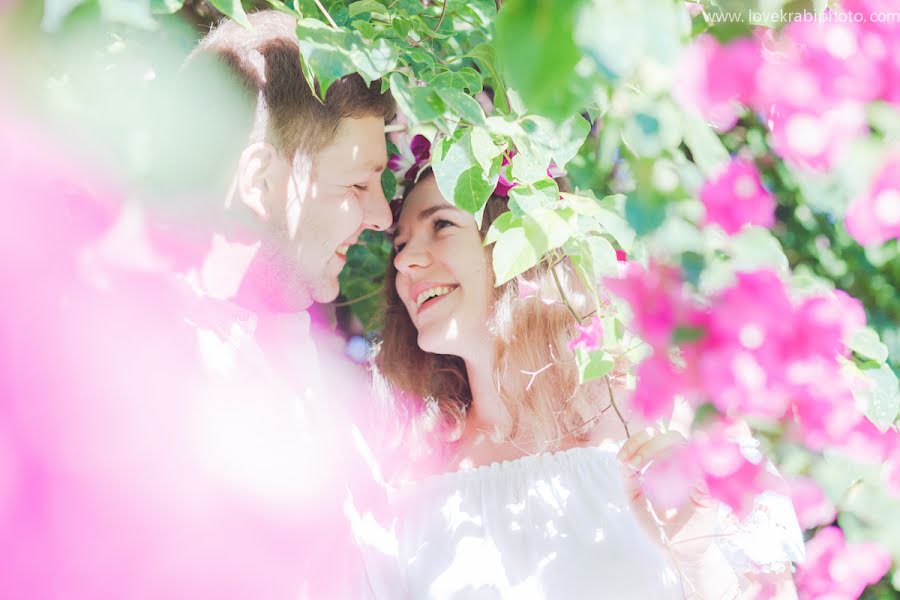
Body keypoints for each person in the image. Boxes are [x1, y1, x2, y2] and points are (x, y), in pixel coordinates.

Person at [352, 170, 805, 599]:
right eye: (402, 244)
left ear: (524, 242)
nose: (406, 261)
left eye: (443, 225)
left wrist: (697, 551)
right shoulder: (403, 469)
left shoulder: (669, 418)